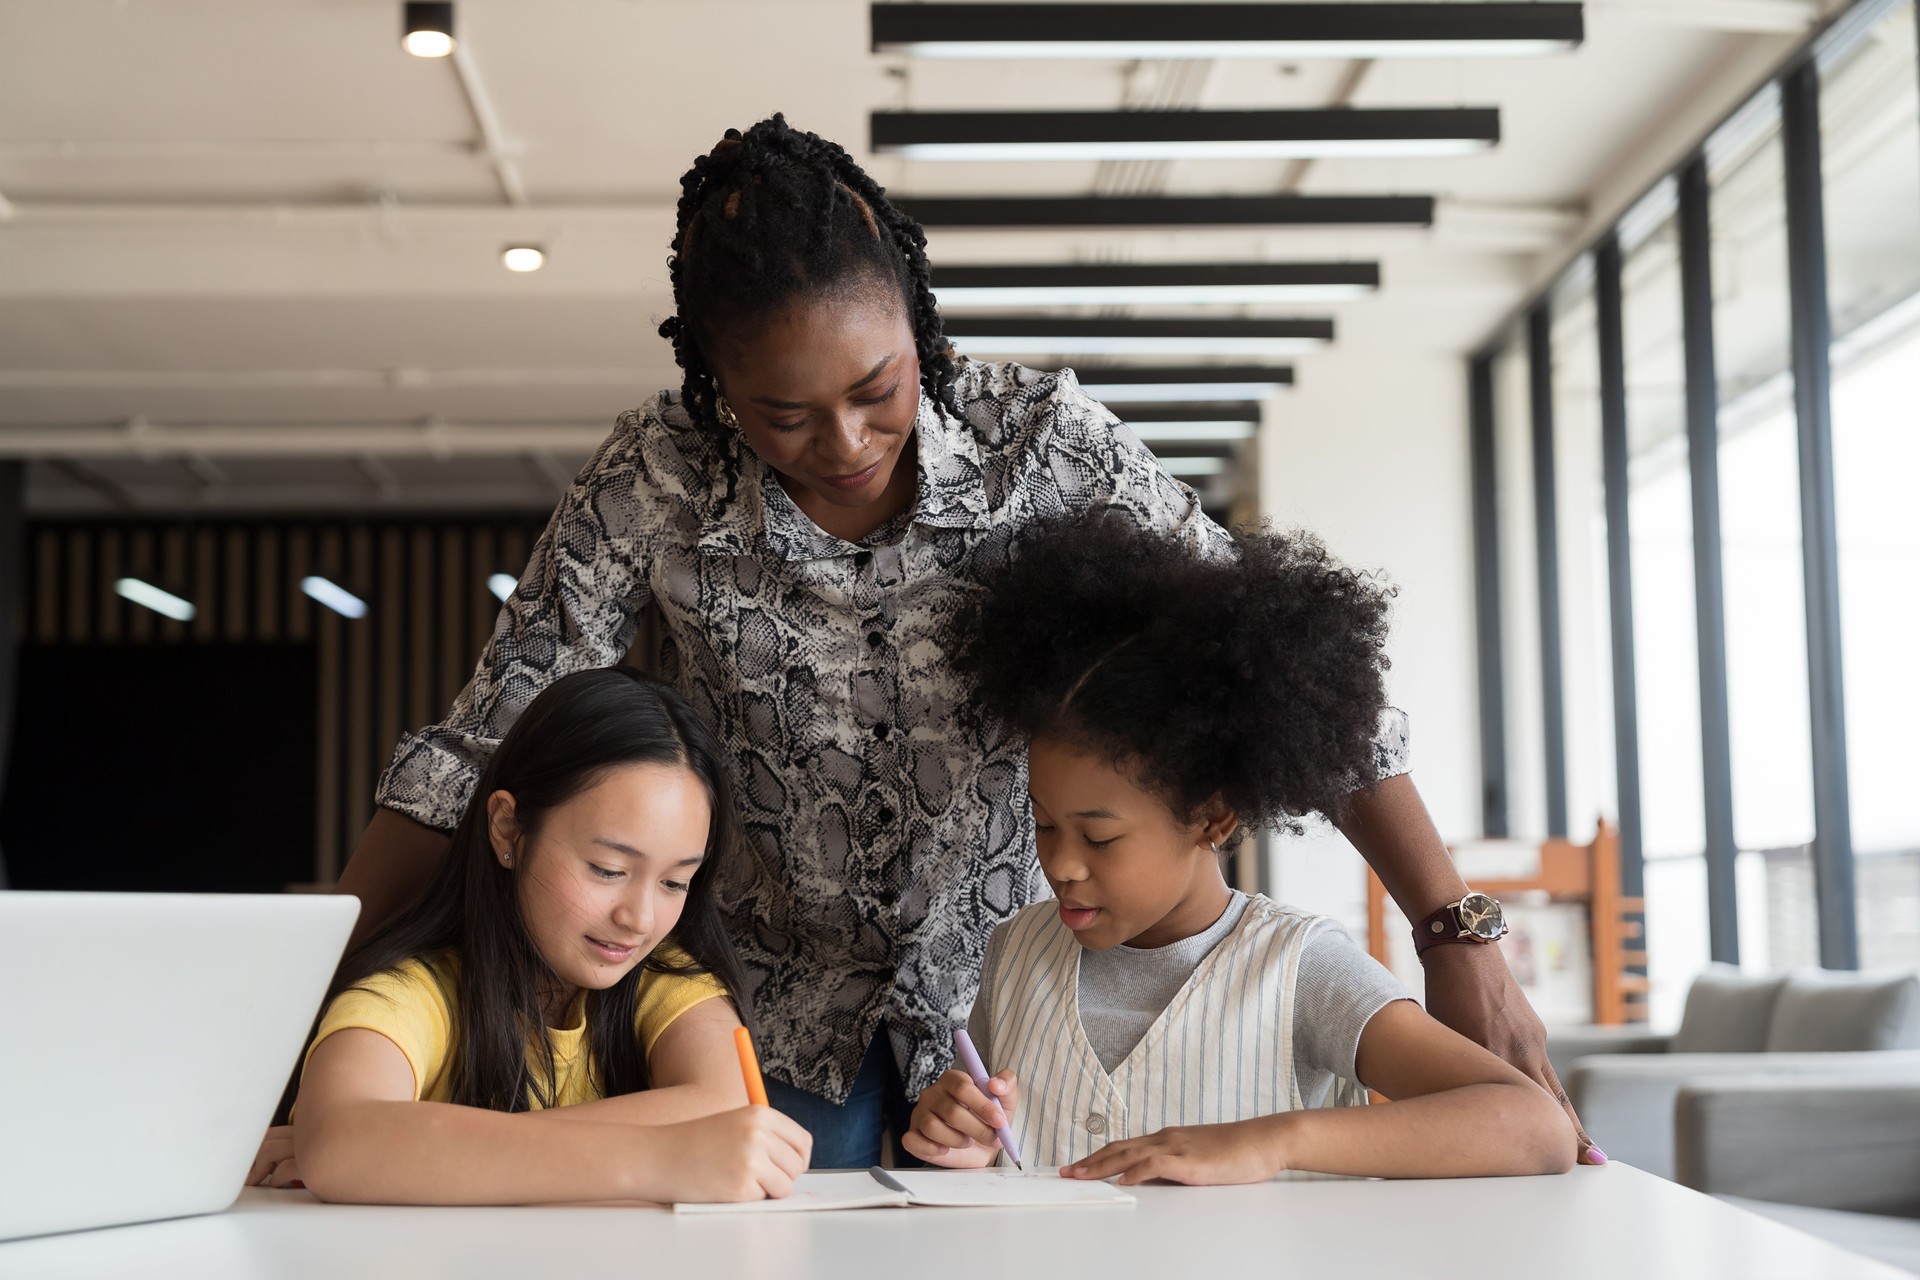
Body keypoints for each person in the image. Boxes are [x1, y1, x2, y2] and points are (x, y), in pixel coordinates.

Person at [332, 113, 1594, 1168]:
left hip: (1016, 1006)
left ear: (918, 324)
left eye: (876, 387)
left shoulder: (1039, 443)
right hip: (770, 1021)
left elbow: (1288, 666)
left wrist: (1453, 929)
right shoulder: (651, 480)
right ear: (716, 385)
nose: (843, 441)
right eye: (784, 413)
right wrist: (289, 996)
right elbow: (479, 746)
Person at [905, 514, 1577, 1180]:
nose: (1061, 864)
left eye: (1100, 836)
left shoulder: (1302, 969)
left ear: (1213, 819)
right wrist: (965, 1139)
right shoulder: (1014, 954)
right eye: (1044, 824)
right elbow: (995, 1146)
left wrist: (1274, 1141)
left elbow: (1533, 1126)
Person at [252, 668, 811, 1205]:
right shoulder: (412, 990)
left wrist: (413, 1150)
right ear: (508, 830)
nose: (639, 919)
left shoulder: (662, 975)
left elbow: (726, 1105)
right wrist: (659, 1156)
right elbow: (347, 1143)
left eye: (674, 881)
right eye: (608, 870)